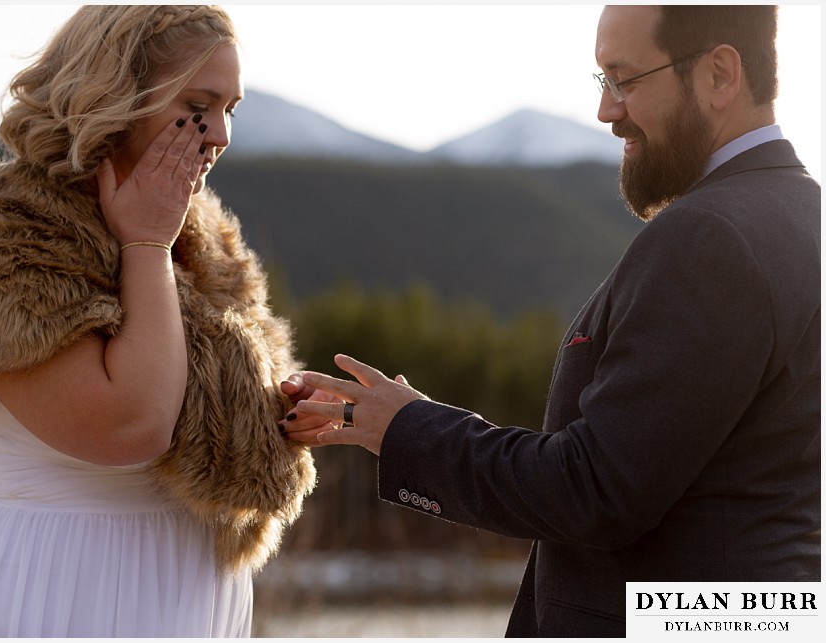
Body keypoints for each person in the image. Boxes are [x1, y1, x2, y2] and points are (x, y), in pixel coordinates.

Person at [282, 5, 820, 638]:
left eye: (625, 79)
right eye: (602, 82)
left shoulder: (710, 236)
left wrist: (407, 430)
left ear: (719, 75)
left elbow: (594, 491)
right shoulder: (803, 215)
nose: (606, 110)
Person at [0, 5, 315, 637]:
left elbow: (204, 419)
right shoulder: (1, 235)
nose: (221, 136)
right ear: (116, 95)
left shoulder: (204, 240)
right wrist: (146, 246)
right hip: (58, 590)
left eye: (231, 109)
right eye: (200, 104)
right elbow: (133, 425)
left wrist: (289, 406)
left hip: (189, 603)